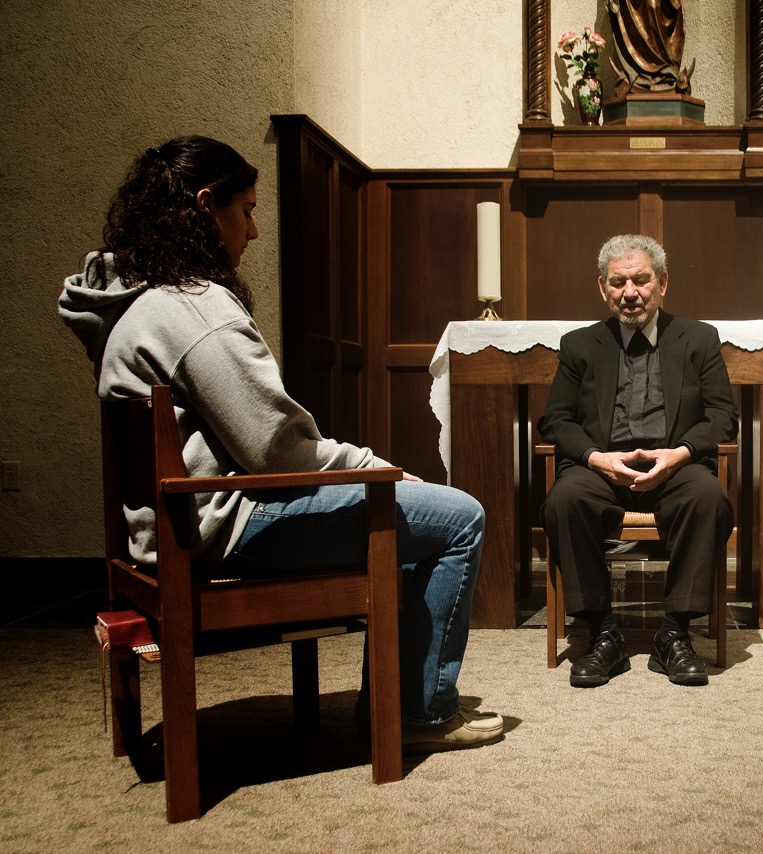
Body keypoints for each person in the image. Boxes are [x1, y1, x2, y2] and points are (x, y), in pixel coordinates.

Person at [59, 136, 503, 752]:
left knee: (409, 517)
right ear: (204, 206)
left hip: (167, 528)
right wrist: (378, 469)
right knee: (457, 516)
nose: (256, 231)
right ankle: (416, 713)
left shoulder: (132, 303)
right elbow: (277, 450)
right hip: (223, 526)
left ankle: (397, 701)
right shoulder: (192, 308)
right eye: (246, 210)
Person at [539, 234, 738, 687]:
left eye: (641, 280)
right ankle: (602, 633)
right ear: (603, 288)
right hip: (603, 468)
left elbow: (725, 416)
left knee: (708, 497)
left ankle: (675, 634)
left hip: (676, 467)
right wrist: (596, 458)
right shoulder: (580, 344)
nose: (630, 292)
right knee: (564, 500)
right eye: (618, 282)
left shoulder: (698, 338)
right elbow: (555, 420)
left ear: (662, 283)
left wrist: (680, 454)